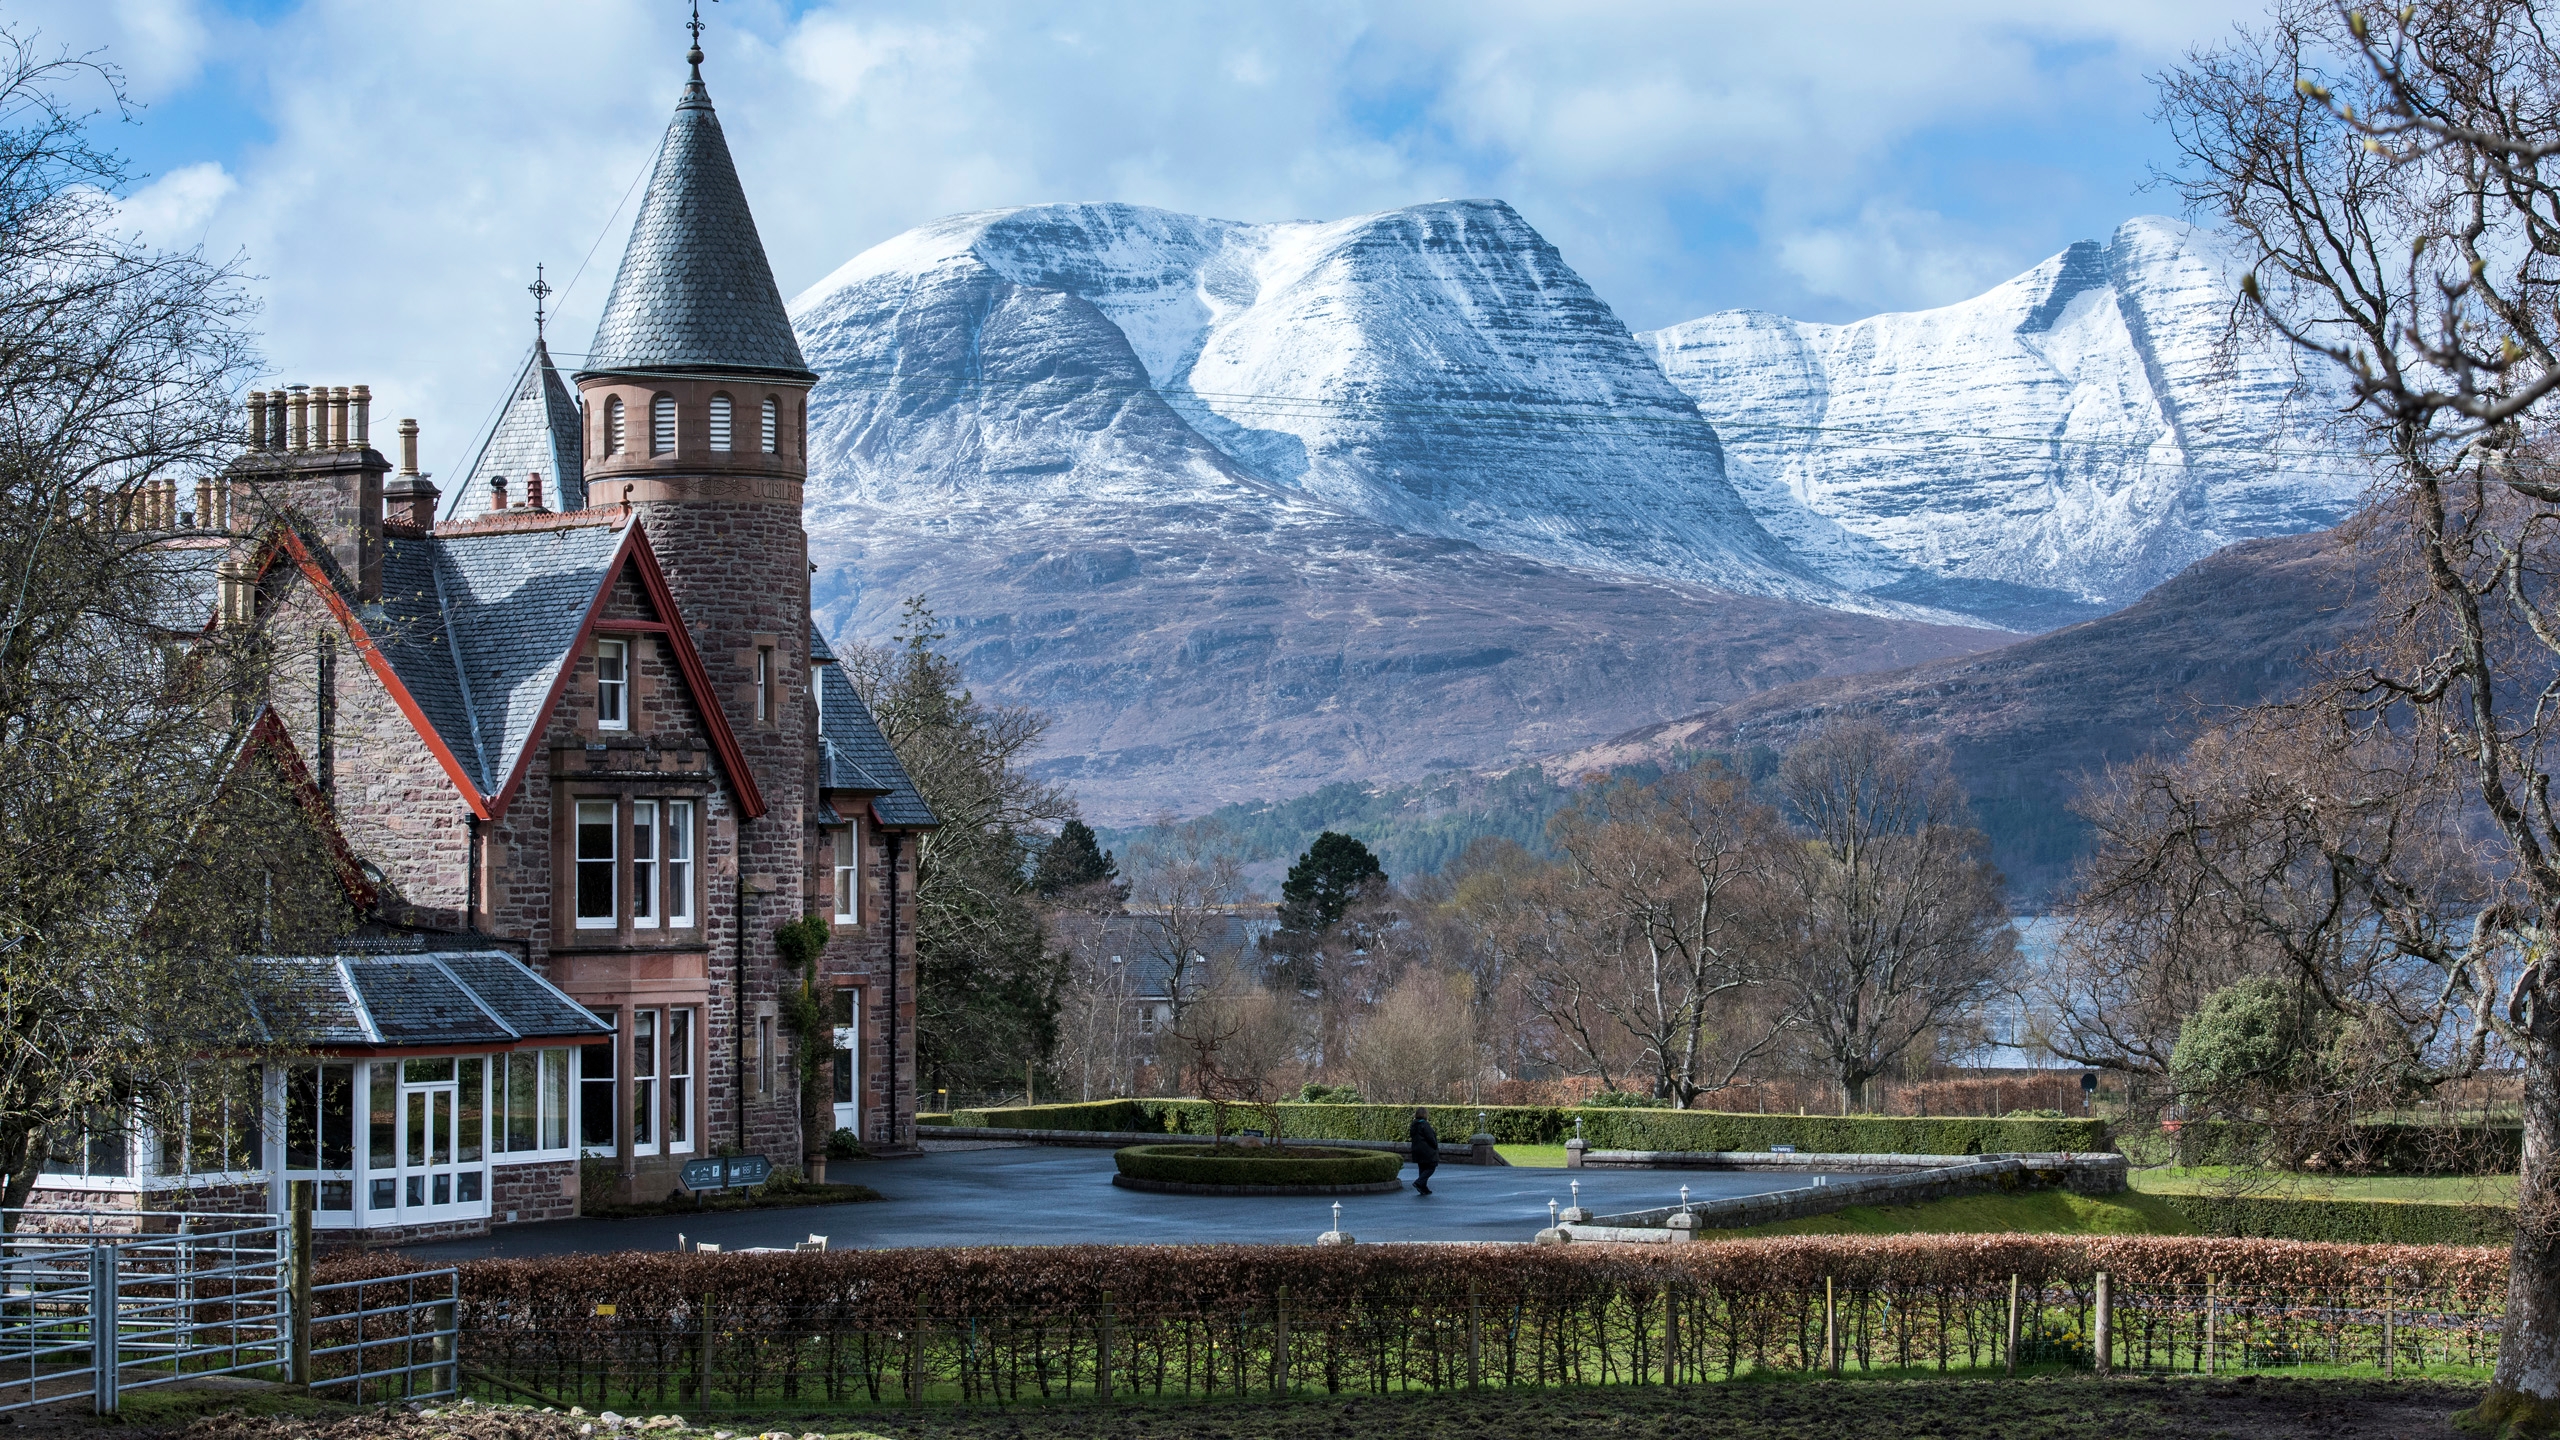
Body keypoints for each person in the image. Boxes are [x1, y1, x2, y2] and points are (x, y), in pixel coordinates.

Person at [1409, 1107, 1439, 1195]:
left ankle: (1423, 1187)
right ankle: (1419, 1182)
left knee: (1422, 1168)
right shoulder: (1425, 1125)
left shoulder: (1414, 1125)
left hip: (1417, 1150)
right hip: (1426, 1150)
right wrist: (1435, 1145)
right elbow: (1430, 1137)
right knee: (1431, 1167)